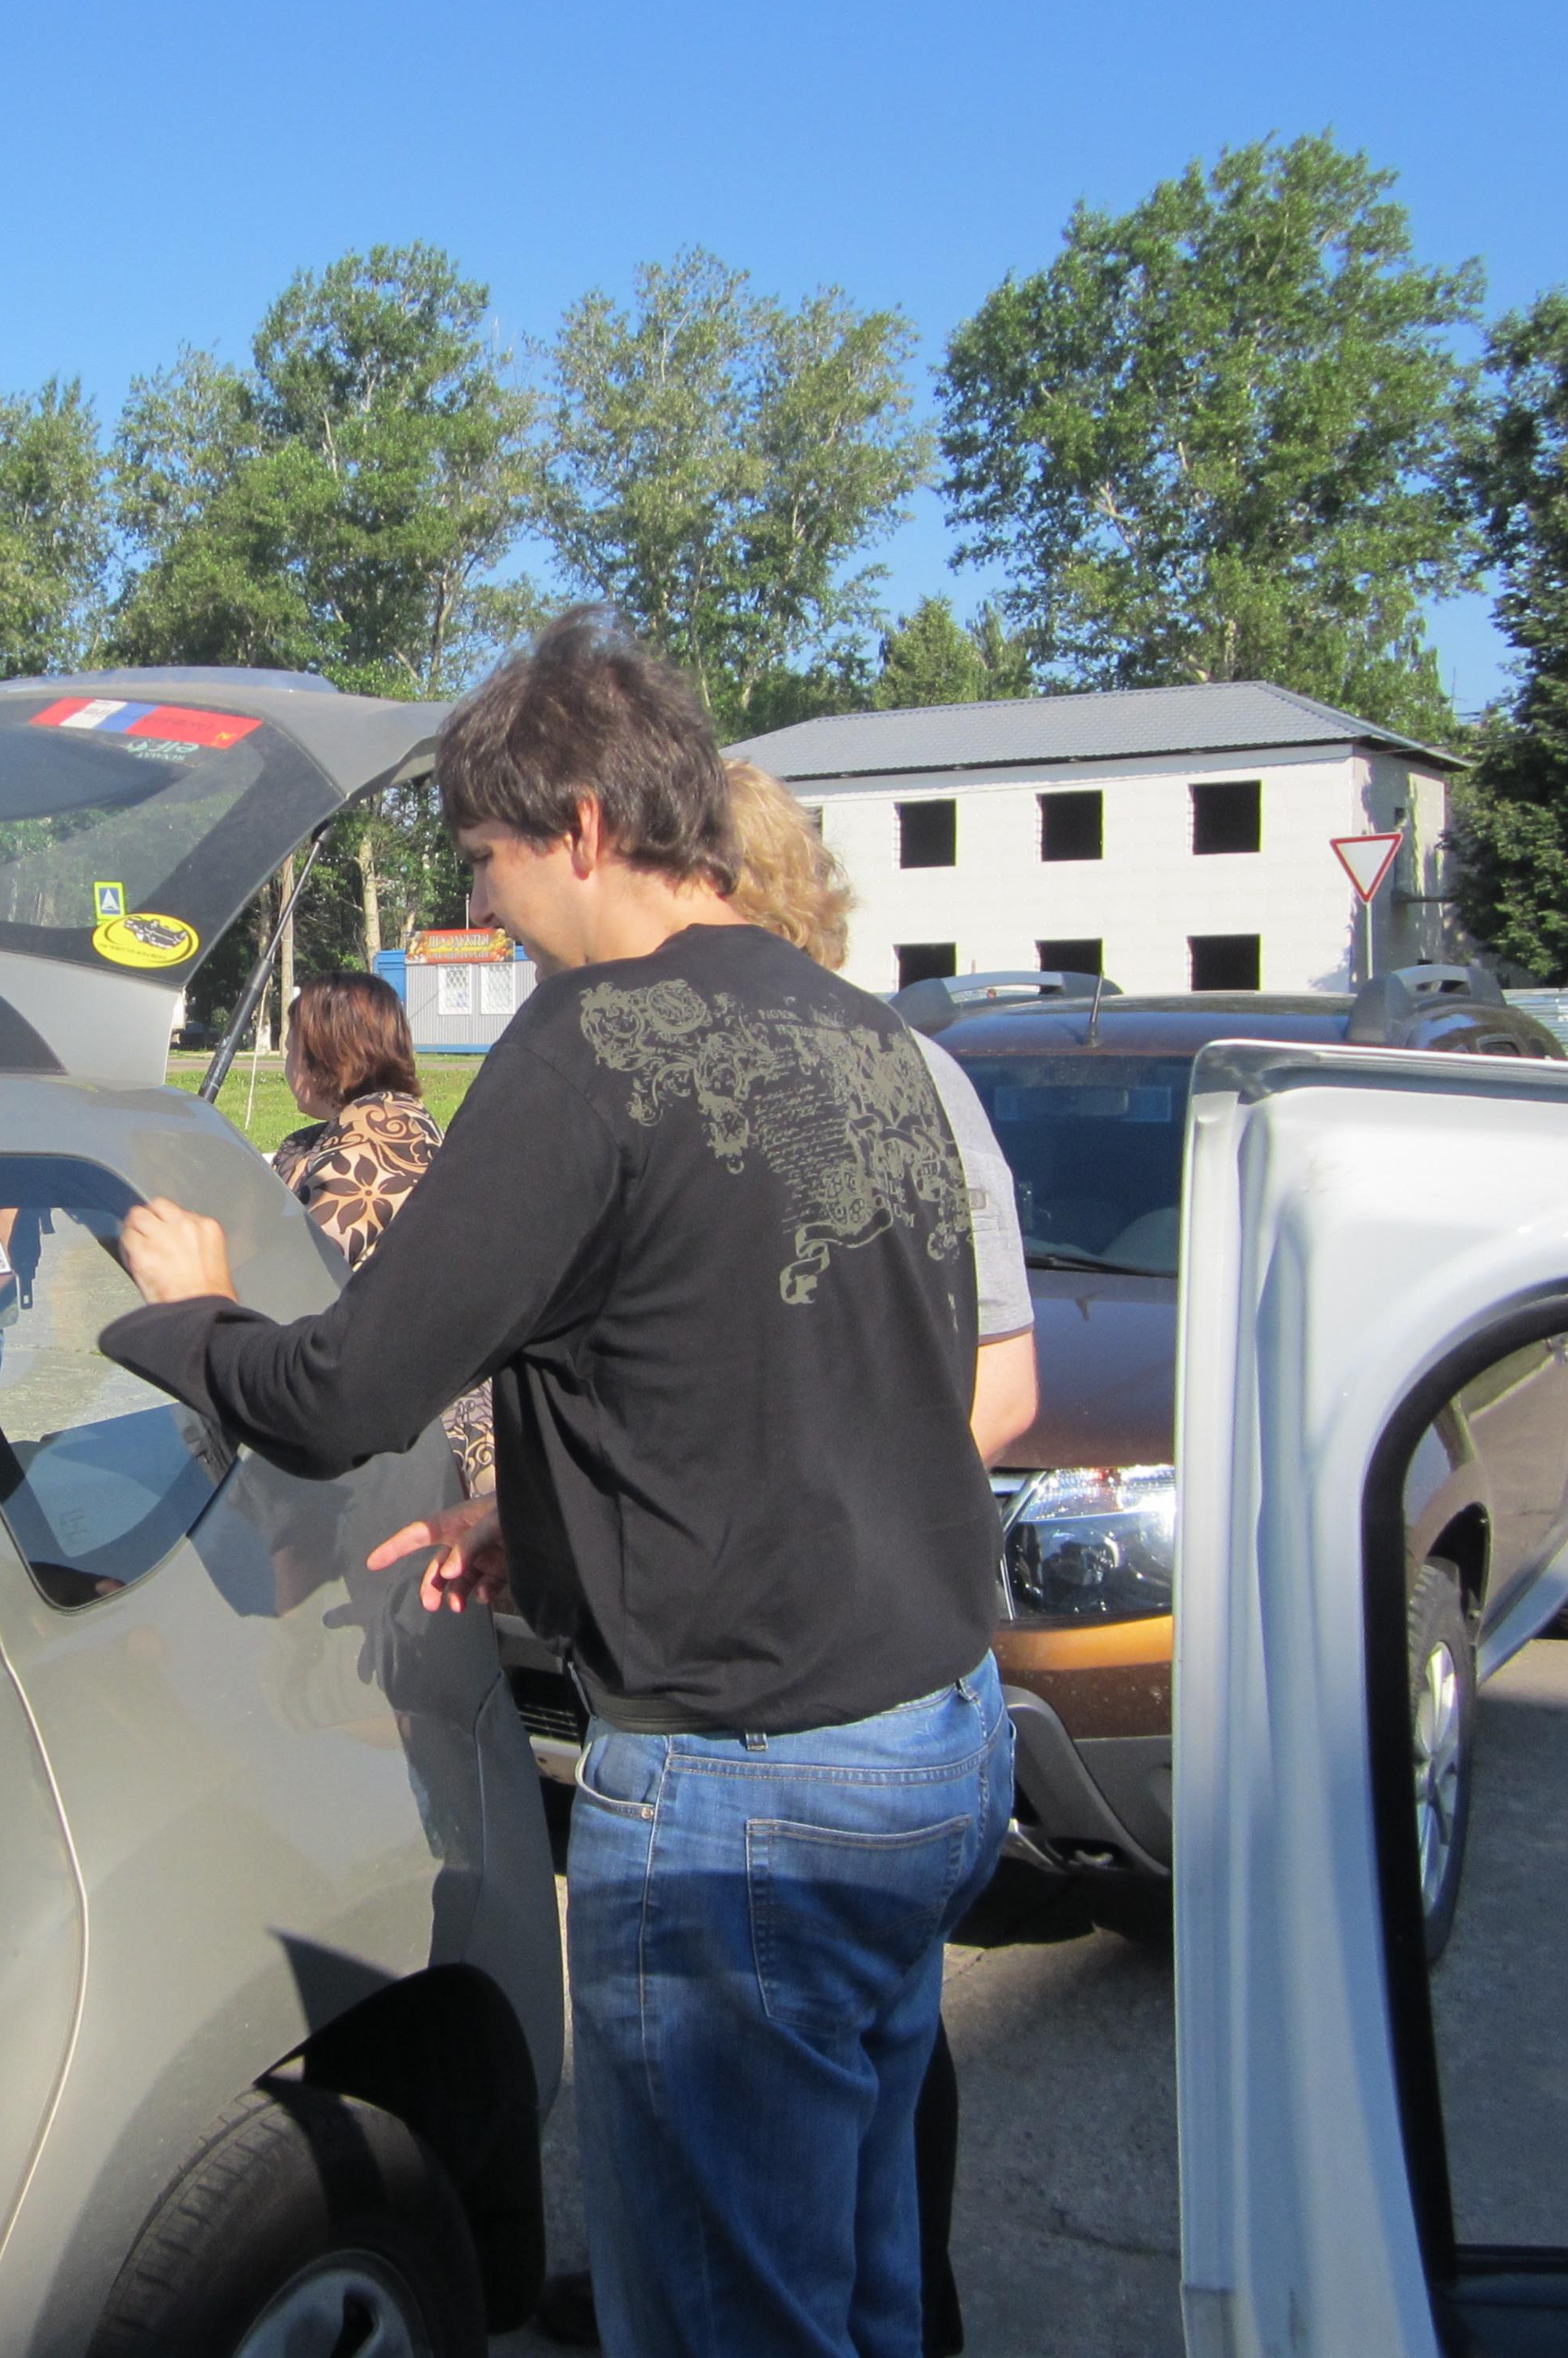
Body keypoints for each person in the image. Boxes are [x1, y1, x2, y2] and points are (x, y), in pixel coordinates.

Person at [101, 609, 1012, 2358]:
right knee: (864, 2278)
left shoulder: (591, 1043)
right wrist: (544, 1521)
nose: (483, 901)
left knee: (733, 2321)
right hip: (936, 1737)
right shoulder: (862, 1034)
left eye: (484, 857)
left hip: (754, 1792)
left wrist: (188, 1315)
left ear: (581, 826)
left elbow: (343, 1392)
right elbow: (822, 1381)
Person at [526, 759, 1038, 2356]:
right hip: (918, 1704)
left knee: (776, 2237)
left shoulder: (867, 1073)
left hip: (782, 1721)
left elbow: (998, 1394)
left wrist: (797, 1519)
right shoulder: (872, 1063)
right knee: (852, 2174)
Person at [266, 971, 495, 1491]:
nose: (286, 1062)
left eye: (292, 1045)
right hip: (408, 1401)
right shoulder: (376, 1126)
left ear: (326, 1053)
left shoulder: (371, 1145)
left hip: (424, 1432)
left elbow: (299, 1280)